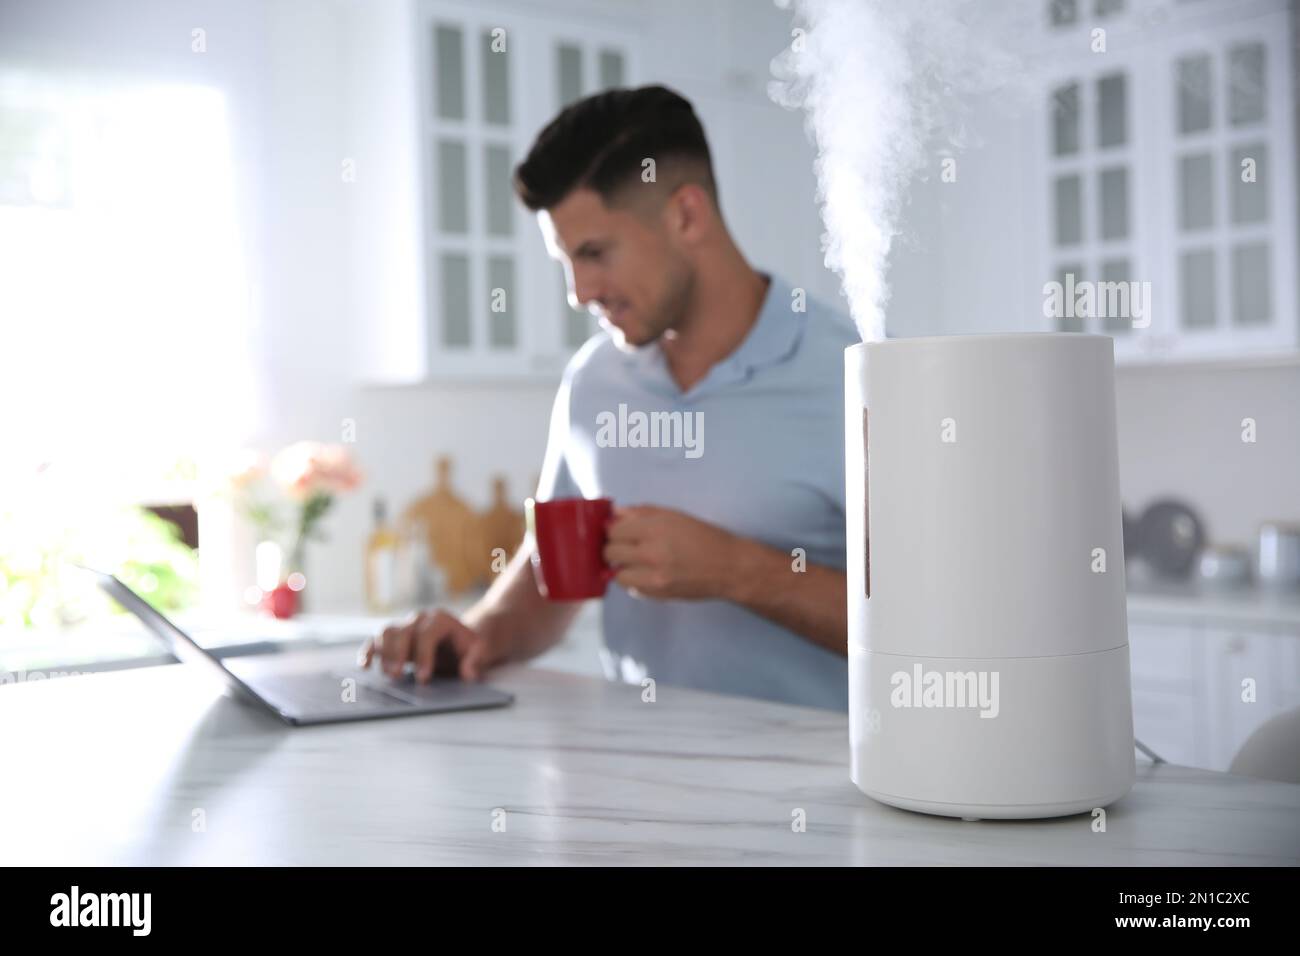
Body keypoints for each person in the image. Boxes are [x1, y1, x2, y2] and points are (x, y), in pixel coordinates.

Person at [361, 84, 857, 710]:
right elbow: (551, 574)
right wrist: (475, 635)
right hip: (628, 782)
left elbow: (923, 624)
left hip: (813, 793)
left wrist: (737, 570)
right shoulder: (593, 379)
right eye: (567, 259)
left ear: (686, 215)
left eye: (595, 253)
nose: (579, 291)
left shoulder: (850, 374)